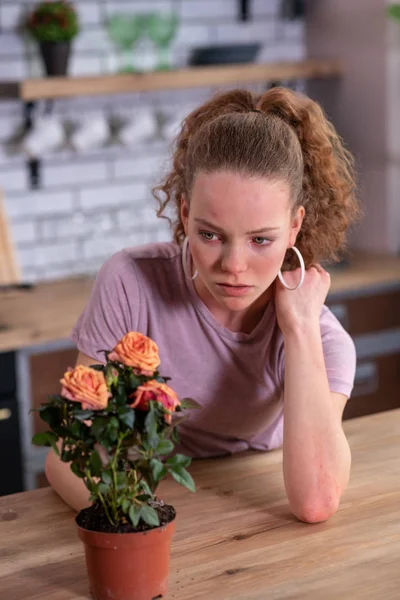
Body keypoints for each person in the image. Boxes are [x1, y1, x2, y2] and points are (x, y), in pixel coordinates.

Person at [45, 87, 360, 523]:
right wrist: (135, 520)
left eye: (261, 240)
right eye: (210, 234)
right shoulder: (130, 282)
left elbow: (315, 501)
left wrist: (300, 327)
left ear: (294, 227)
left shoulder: (321, 338)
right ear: (185, 212)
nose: (233, 266)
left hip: (255, 500)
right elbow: (69, 448)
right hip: (146, 490)